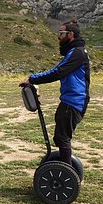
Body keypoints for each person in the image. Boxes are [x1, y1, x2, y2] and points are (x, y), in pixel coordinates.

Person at [20, 19, 90, 166]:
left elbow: (58, 72)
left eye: (61, 33)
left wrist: (33, 79)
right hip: (70, 100)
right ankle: (65, 168)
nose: (58, 36)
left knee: (62, 137)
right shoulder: (74, 52)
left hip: (73, 101)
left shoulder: (77, 53)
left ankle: (66, 172)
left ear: (70, 35)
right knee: (60, 137)